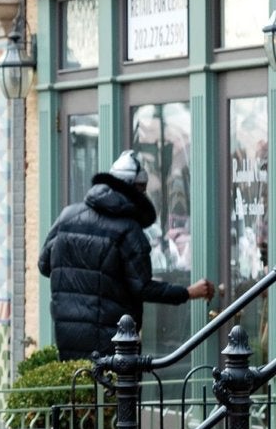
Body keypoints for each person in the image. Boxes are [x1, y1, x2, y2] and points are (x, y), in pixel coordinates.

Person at [39, 149, 215, 360]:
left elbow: (45, 265)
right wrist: (188, 292)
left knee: (80, 389)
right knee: (119, 391)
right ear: (134, 188)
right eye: (142, 188)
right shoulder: (128, 229)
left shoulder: (67, 216)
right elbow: (143, 288)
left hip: (68, 336)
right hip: (116, 341)